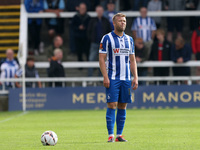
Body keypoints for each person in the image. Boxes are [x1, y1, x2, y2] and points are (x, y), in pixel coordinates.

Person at [99, 13, 138, 142]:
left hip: (126, 78)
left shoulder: (129, 39)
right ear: (114, 23)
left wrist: (135, 77)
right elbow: (101, 59)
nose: (123, 23)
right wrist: (105, 77)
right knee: (112, 104)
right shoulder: (107, 38)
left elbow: (132, 60)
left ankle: (119, 135)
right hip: (113, 78)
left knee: (123, 105)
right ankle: (110, 135)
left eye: (124, 21)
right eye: (120, 21)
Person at [87, 5, 112, 76]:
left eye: (101, 11)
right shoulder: (92, 20)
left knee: (103, 61)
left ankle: (101, 77)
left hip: (103, 44)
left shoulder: (106, 21)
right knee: (91, 60)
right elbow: (88, 31)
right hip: (94, 43)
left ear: (103, 11)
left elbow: (109, 31)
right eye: (98, 11)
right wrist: (91, 39)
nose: (100, 12)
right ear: (96, 11)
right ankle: (90, 78)